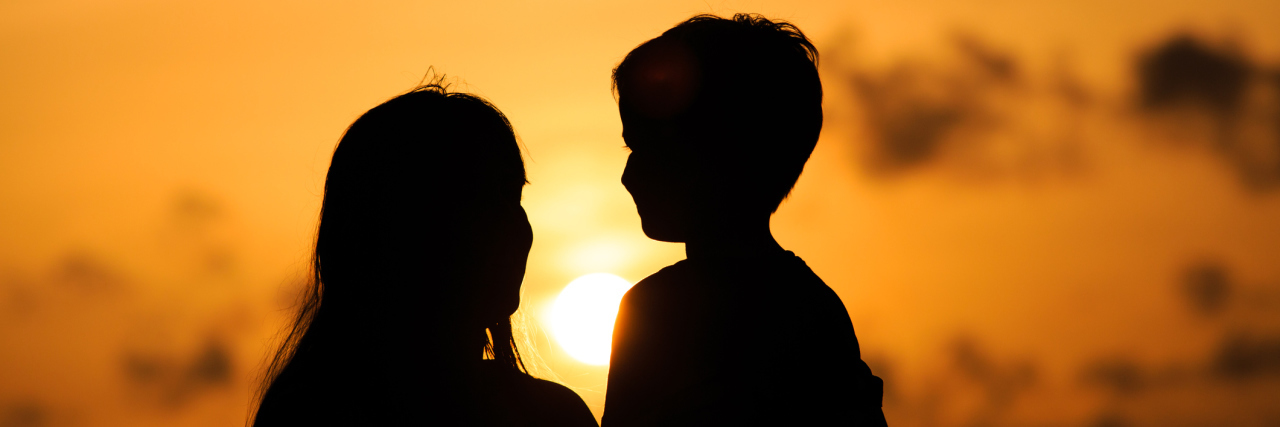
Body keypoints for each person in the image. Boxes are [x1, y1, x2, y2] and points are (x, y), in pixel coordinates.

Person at [251, 81, 598, 426]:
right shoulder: (313, 414)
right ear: (395, 230)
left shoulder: (550, 414)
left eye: (512, 197)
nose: (510, 226)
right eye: (473, 201)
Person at [602, 14, 888, 426]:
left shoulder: (654, 311)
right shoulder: (815, 308)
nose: (629, 175)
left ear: (720, 155)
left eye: (650, 148)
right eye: (632, 148)